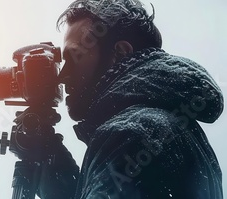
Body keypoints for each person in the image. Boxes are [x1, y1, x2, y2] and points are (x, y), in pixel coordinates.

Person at [36, 0, 224, 198]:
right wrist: (47, 154)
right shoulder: (165, 128)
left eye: (74, 57)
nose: (62, 75)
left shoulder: (132, 133)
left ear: (120, 53)